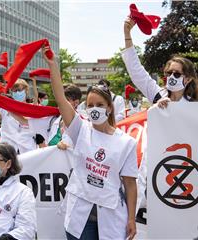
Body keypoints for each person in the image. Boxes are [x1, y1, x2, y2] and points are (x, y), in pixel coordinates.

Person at [43, 46, 138, 240]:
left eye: (100, 105)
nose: (95, 109)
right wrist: (53, 66)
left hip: (111, 216)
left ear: (110, 108)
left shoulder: (126, 142)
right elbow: (61, 100)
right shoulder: (81, 129)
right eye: (90, 105)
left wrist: (131, 218)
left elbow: (130, 184)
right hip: (81, 217)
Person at [122, 17, 198, 109]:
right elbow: (136, 71)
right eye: (169, 73)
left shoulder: (196, 105)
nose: (171, 76)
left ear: (188, 79)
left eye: (177, 74)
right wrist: (127, 33)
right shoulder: (157, 94)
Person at [0, 54, 36, 154]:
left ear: (26, 90)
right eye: (14, 91)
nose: (17, 93)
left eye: (19, 90)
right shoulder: (6, 105)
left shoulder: (33, 109)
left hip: (27, 151)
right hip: (6, 151)